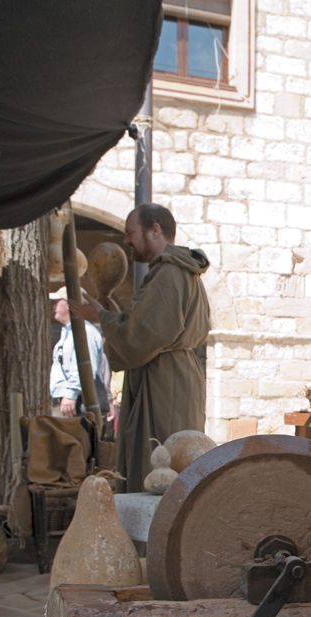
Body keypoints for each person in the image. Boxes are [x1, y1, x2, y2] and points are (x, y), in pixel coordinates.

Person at [71, 203, 211, 492]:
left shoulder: (170, 273)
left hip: (165, 384)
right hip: (172, 376)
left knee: (161, 464)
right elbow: (150, 324)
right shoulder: (177, 272)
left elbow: (147, 335)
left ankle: (154, 537)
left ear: (155, 231)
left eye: (130, 232)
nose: (126, 240)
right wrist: (114, 315)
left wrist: (104, 319)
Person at [49, 292, 110, 418]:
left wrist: (71, 394)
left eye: (57, 302)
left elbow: (85, 366)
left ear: (68, 305)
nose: (54, 306)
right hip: (71, 402)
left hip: (75, 403)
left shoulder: (84, 332)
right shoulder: (71, 332)